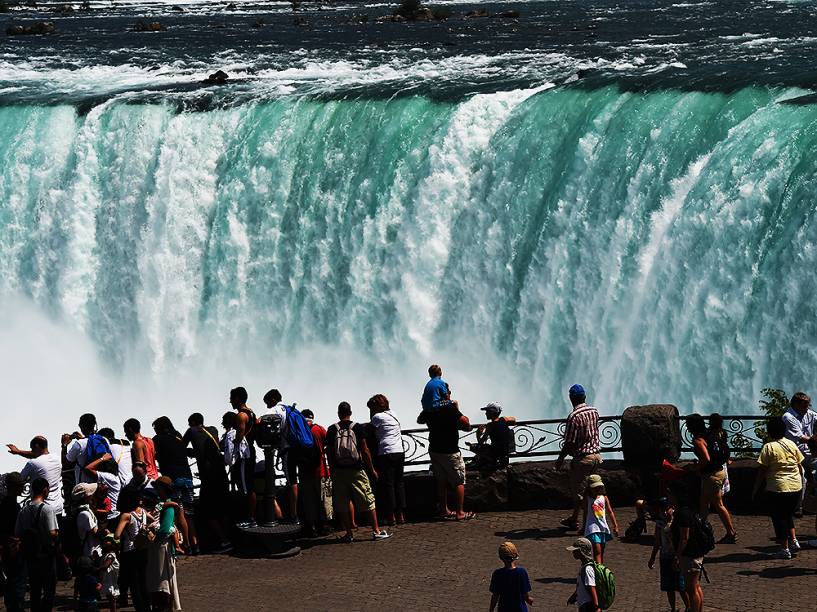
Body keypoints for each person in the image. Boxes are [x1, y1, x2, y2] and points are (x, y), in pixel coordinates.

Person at [325, 402, 392, 542]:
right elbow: (365, 450)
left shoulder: (332, 430)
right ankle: (376, 530)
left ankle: (348, 534)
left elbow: (330, 453)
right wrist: (372, 469)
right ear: (350, 412)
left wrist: (332, 471)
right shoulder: (357, 427)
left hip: (339, 471)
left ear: (338, 413)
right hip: (356, 469)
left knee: (342, 502)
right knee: (368, 499)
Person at [752, 416, 804, 559]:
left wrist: (756, 489)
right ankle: (794, 541)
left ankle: (784, 549)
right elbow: (800, 466)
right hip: (795, 486)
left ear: (769, 432)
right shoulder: (792, 444)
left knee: (779, 517)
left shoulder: (768, 447)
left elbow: (762, 471)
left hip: (778, 487)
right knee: (787, 514)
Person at [417, 396, 474, 521]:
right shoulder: (449, 407)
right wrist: (457, 408)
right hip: (450, 450)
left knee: (441, 481)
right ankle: (460, 512)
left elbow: (420, 420)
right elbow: (466, 423)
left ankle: (444, 510)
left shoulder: (431, 408)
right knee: (459, 481)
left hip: (435, 449)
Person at [182, 413, 231, 552]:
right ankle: (228, 538)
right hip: (221, 475)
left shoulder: (191, 431)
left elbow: (181, 446)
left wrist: (191, 452)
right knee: (223, 508)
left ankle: (223, 541)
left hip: (208, 477)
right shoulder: (213, 430)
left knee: (208, 511)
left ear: (192, 423)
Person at [556, 384, 601, 531]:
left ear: (571, 398)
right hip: (596, 457)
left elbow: (569, 442)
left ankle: (587, 526)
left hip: (583, 459)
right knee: (588, 491)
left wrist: (560, 459)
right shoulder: (594, 411)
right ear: (585, 397)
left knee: (581, 495)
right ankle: (574, 519)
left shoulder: (574, 416)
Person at [686, 414, 737, 543]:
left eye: (687, 425)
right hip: (719, 471)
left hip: (712, 475)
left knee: (718, 504)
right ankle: (700, 531)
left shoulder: (698, 440)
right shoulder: (710, 434)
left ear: (691, 427)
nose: (686, 427)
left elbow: (706, 458)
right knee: (704, 504)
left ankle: (730, 533)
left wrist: (696, 467)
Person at [151, 417, 196, 554]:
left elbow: (154, 455)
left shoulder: (158, 439)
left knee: (178, 512)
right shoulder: (178, 437)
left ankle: (185, 545)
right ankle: (195, 544)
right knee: (189, 514)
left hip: (173, 479)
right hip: (187, 478)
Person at [15, 477, 60, 612]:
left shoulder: (24, 510)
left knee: (35, 590)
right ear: (45, 490)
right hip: (46, 555)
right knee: (48, 591)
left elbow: (17, 533)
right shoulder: (47, 509)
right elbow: (53, 533)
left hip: (31, 555)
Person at [146, 477, 186, 612]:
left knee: (162, 580)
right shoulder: (165, 504)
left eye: (158, 488)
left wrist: (154, 538)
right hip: (160, 546)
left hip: (162, 547)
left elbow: (165, 529)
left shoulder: (168, 506)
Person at [368, 394, 406, 526]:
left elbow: (369, 431)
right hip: (399, 451)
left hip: (386, 452)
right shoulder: (393, 414)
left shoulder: (377, 417)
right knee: (399, 483)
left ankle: (391, 516)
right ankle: (400, 515)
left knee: (388, 484)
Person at [668, 484, 706, 612]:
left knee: (691, 588)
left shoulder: (683, 513)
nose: (669, 497)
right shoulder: (687, 510)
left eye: (671, 494)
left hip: (690, 553)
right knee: (695, 586)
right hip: (694, 552)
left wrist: (677, 556)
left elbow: (684, 538)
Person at [648, 498, 689, 612]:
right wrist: (652, 558)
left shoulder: (678, 521)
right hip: (665, 556)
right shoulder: (659, 523)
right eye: (662, 510)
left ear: (673, 508)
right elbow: (657, 542)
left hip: (677, 557)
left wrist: (678, 556)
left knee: (681, 585)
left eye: (667, 509)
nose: (665, 513)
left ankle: (688, 607)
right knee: (668, 586)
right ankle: (673, 608)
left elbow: (683, 539)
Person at [7, 436, 64, 517]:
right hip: (57, 508)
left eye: (32, 449)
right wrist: (18, 452)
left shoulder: (32, 464)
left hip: (41, 509)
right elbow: (38, 456)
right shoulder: (57, 458)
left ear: (37, 446)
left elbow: (19, 479)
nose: (31, 451)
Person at [114, 493, 151, 612]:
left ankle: (140, 608)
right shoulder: (143, 512)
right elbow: (153, 520)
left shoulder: (127, 515)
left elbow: (117, 535)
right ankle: (147, 606)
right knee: (143, 580)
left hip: (130, 551)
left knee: (134, 584)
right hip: (144, 548)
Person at [299, 409, 332, 537]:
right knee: (324, 499)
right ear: (312, 417)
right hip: (321, 470)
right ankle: (324, 526)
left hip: (304, 472)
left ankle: (311, 527)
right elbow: (328, 444)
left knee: (309, 500)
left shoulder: (299, 431)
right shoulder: (318, 429)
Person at [782, 391, 817, 514]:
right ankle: (798, 507)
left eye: (808, 405)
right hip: (793, 454)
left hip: (809, 452)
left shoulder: (809, 413)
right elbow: (800, 437)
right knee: (801, 478)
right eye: (804, 406)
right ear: (795, 405)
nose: (807, 408)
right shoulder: (788, 417)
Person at [230, 387, 259, 527]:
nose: (230, 402)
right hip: (251, 452)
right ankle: (251, 517)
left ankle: (250, 518)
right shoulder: (252, 412)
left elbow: (240, 436)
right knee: (248, 483)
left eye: (231, 398)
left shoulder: (241, 415)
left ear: (237, 399)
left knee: (245, 486)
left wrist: (230, 443)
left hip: (244, 454)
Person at [1, 472, 26, 612]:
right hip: (14, 547)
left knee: (11, 581)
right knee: (17, 582)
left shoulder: (5, 503)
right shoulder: (12, 506)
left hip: (7, 547)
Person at [64, 413, 110, 485]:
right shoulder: (104, 440)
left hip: (85, 487)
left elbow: (67, 462)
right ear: (94, 425)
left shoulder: (79, 444)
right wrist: (83, 438)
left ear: (82, 426)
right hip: (101, 486)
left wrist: (64, 444)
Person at [581, 475, 618, 563]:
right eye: (594, 488)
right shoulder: (587, 498)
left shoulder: (604, 498)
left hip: (602, 527)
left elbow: (610, 512)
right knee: (597, 551)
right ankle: (598, 572)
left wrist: (615, 526)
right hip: (592, 528)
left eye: (598, 487)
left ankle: (599, 568)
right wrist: (583, 526)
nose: (596, 490)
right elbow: (585, 513)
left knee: (602, 551)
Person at [469, 403, 516, 471]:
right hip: (506, 452)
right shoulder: (504, 419)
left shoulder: (490, 426)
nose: (485, 413)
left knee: (473, 447)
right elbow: (514, 420)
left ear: (492, 412)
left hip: (496, 454)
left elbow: (480, 443)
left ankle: (490, 460)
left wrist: (478, 434)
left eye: (487, 411)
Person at [489, 541, 533, 612]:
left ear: (501, 557)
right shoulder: (521, 572)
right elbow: (525, 596)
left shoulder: (497, 574)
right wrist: (530, 600)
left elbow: (495, 596)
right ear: (515, 555)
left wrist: (491, 609)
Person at [84, 453, 122, 525]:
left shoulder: (109, 477)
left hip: (110, 516)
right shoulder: (113, 477)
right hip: (109, 515)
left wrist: (102, 459)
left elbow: (87, 469)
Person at [565, 537, 598, 612]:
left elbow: (592, 587)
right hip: (583, 604)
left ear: (581, 551)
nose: (573, 552)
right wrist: (575, 595)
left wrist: (596, 605)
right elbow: (581, 584)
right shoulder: (583, 566)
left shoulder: (588, 569)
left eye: (575, 550)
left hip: (588, 606)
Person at [73, 483, 102, 560]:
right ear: (86, 497)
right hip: (91, 552)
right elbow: (95, 533)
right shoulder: (85, 514)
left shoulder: (83, 510)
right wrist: (106, 532)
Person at [99, 533, 120, 612]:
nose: (105, 542)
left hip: (110, 579)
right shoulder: (107, 554)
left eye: (108, 541)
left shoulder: (111, 555)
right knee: (110, 598)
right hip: (107, 578)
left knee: (111, 598)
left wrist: (96, 569)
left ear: (113, 544)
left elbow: (105, 566)